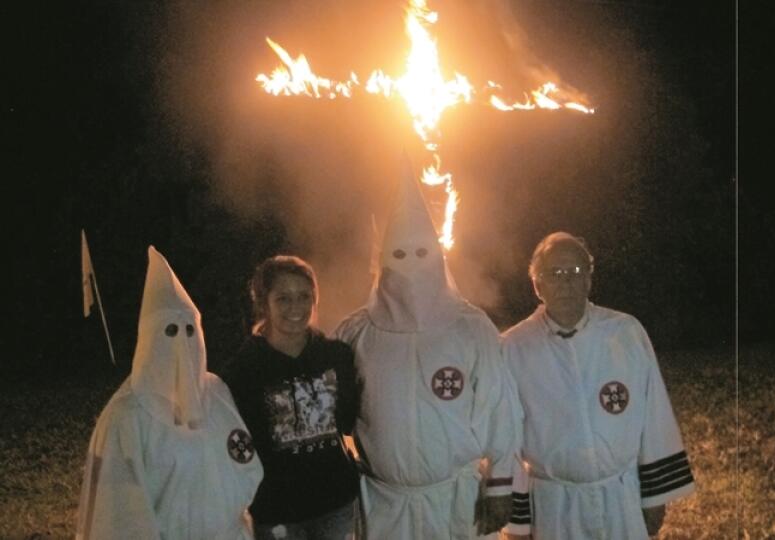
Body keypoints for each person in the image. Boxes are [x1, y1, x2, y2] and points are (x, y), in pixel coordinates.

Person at [334, 160, 520, 539]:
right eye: (399, 255)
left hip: (453, 499)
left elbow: (500, 409)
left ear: (437, 254)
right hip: (383, 500)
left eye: (421, 252)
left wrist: (501, 487)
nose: (410, 266)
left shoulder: (470, 327)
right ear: (383, 260)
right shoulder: (356, 331)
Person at [501, 232, 695, 540]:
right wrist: (518, 522)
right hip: (554, 506)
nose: (567, 282)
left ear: (589, 280)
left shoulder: (625, 333)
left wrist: (655, 498)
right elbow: (505, 437)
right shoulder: (514, 347)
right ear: (538, 285)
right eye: (555, 274)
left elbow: (653, 416)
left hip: (621, 498)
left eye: (576, 272)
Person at [76, 246, 264, 539]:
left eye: (190, 330)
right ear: (148, 339)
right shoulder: (127, 417)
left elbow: (242, 460)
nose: (181, 343)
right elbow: (118, 515)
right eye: (169, 331)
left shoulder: (217, 393)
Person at [219, 255, 361, 540]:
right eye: (283, 298)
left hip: (335, 502)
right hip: (277, 509)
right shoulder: (244, 370)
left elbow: (346, 421)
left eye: (304, 296)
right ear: (264, 303)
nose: (295, 307)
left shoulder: (336, 356)